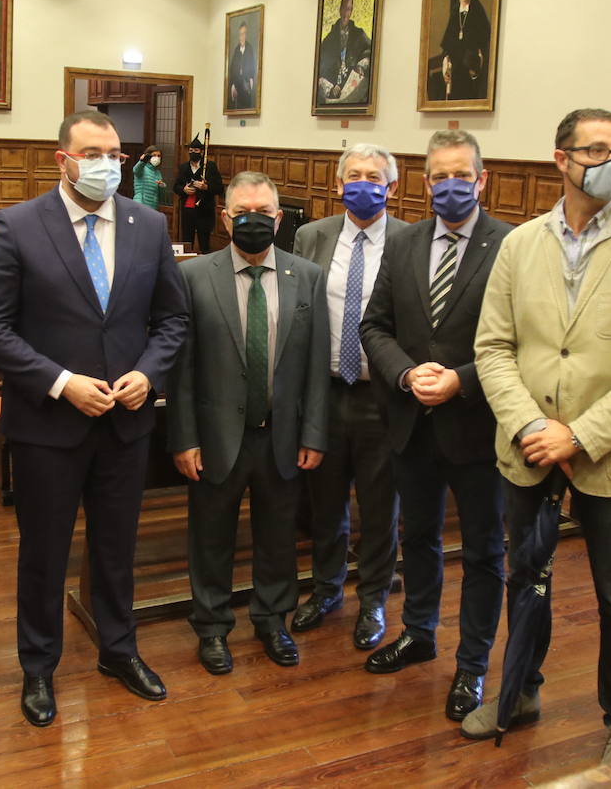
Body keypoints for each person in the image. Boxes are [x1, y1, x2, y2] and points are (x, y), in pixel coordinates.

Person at [470, 108, 611, 762]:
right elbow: (493, 349)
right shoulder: (520, 244)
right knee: (528, 579)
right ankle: (521, 691)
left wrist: (580, 435)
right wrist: (534, 426)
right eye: (597, 150)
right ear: (560, 159)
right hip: (530, 450)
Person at [0, 111, 188, 725]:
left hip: (125, 421)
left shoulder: (148, 225)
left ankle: (119, 649)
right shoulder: (18, 226)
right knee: (44, 550)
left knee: (117, 547)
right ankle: (38, 667)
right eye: (93, 153)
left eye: (115, 155)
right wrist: (61, 383)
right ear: (61, 159)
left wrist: (149, 373)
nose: (106, 165)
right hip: (49, 426)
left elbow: (172, 320)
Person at [359, 129, 509, 722]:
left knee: (483, 551)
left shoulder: (512, 245)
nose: (451, 185)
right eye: (439, 176)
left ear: (481, 178)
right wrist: (404, 375)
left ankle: (472, 665)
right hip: (411, 423)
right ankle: (419, 632)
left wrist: (459, 380)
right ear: (424, 183)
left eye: (461, 174)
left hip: (476, 425)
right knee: (416, 538)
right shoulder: (403, 243)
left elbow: (522, 341)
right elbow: (375, 326)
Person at [168, 171, 330, 675]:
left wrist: (314, 433)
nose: (253, 222)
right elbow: (182, 370)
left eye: (263, 214)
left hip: (282, 435)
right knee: (211, 536)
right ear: (225, 217)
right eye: (242, 214)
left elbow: (316, 364)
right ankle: (212, 627)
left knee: (278, 536)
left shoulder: (307, 276)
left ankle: (271, 620)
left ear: (279, 219)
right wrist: (185, 438)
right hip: (216, 437)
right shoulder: (194, 277)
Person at [290, 144, 407, 651]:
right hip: (326, 391)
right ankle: (326, 589)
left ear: (392, 187)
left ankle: (375, 599)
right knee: (325, 503)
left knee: (381, 508)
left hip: (383, 397)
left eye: (374, 176)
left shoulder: (410, 241)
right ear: (339, 184)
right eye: (354, 176)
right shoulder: (310, 236)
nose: (363, 183)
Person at [437, 0, 491, 101]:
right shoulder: (455, 13)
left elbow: (484, 43)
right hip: (455, 74)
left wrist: (475, 66)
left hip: (471, 74)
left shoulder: (477, 11)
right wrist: (446, 64)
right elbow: (447, 47)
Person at [317, 0, 372, 105]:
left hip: (351, 85)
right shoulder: (329, 39)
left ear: (351, 12)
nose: (346, 13)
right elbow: (319, 70)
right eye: (345, 9)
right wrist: (330, 88)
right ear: (340, 9)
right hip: (332, 88)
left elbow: (371, 52)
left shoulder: (359, 34)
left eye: (349, 9)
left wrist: (361, 65)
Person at [173, 135, 224, 253]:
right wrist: (184, 189)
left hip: (204, 210)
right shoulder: (183, 167)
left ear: (201, 152)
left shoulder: (210, 167)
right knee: (186, 240)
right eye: (190, 151)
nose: (193, 153)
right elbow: (176, 187)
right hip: (187, 210)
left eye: (196, 151)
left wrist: (206, 187)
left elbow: (219, 188)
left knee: (204, 242)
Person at [227, 22, 257, 109]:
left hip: (246, 85)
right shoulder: (236, 50)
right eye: (240, 34)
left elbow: (252, 70)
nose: (242, 37)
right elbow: (232, 69)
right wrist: (233, 85)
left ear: (246, 35)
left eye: (244, 34)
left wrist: (249, 86)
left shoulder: (249, 49)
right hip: (237, 85)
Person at [131, 145, 166, 209]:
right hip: (140, 204)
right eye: (154, 155)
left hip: (153, 206)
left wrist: (162, 186)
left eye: (159, 156)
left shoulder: (158, 173)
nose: (157, 158)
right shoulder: (142, 168)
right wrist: (142, 161)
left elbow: (161, 196)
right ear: (148, 156)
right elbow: (136, 170)